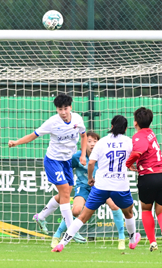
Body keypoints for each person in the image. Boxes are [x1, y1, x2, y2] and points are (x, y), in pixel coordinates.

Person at [52, 115, 141, 253]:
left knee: (82, 216)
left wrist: (90, 178)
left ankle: (62, 243)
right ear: (125, 128)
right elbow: (137, 156)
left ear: (111, 127)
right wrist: (130, 165)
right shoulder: (129, 142)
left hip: (101, 186)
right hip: (120, 186)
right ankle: (131, 240)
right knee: (129, 213)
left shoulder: (102, 142)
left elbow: (91, 163)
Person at [9, 94, 87, 235]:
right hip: (53, 160)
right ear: (56, 109)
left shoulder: (77, 119)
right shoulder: (52, 122)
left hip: (67, 161)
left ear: (70, 107)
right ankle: (71, 231)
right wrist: (16, 142)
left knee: (66, 193)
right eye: (59, 109)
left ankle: (41, 216)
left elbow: (83, 135)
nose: (63, 112)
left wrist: (82, 155)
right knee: (64, 191)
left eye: (65, 108)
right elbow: (33, 135)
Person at [126, 107, 162, 252]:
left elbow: (138, 151)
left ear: (135, 122)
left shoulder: (138, 136)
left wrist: (128, 163)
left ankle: (153, 242)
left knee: (146, 210)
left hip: (148, 176)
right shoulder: (151, 134)